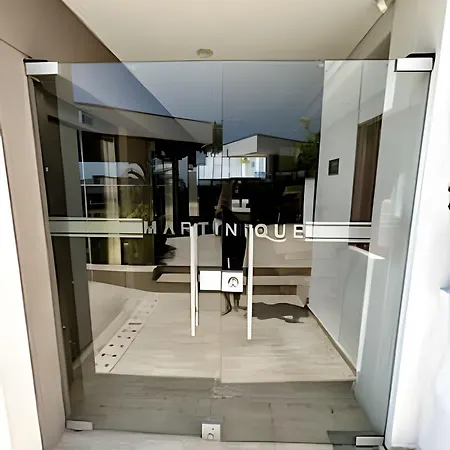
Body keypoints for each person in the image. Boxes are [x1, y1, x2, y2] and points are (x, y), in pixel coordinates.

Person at [215, 180, 247, 315]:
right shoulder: (224, 210)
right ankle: (229, 304)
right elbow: (219, 211)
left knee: (236, 271)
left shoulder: (238, 206)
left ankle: (234, 303)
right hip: (230, 243)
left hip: (237, 242)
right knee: (226, 272)